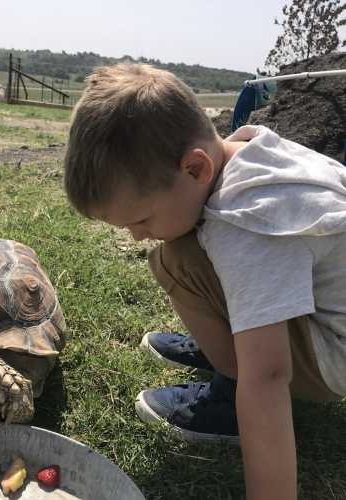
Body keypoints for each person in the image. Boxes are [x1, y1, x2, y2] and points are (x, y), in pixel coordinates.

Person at [63, 63, 346, 500]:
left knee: (175, 258)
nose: (136, 234)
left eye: (141, 218)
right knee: (181, 244)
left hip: (335, 358)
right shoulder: (250, 147)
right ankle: (235, 332)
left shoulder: (244, 219)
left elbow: (269, 377)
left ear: (196, 169)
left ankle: (231, 383)